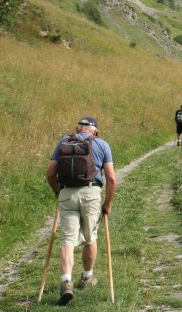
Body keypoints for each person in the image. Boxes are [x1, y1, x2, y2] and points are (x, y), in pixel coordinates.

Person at [46, 116, 116, 306]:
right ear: (95, 131)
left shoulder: (64, 142)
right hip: (91, 194)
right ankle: (87, 278)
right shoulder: (102, 144)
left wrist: (57, 192)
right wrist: (107, 204)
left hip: (67, 193)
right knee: (90, 237)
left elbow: (50, 173)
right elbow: (111, 178)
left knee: (67, 239)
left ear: (77, 129)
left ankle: (66, 282)